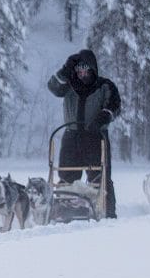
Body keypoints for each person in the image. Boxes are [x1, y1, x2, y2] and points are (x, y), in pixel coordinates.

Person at [47, 48, 121, 218]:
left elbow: (114, 106)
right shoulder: (68, 85)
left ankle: (107, 214)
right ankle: (65, 211)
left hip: (95, 136)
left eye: (85, 69)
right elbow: (53, 87)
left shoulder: (104, 86)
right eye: (78, 69)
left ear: (92, 69)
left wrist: (103, 117)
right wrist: (65, 71)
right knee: (66, 176)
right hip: (71, 136)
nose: (81, 73)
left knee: (100, 177)